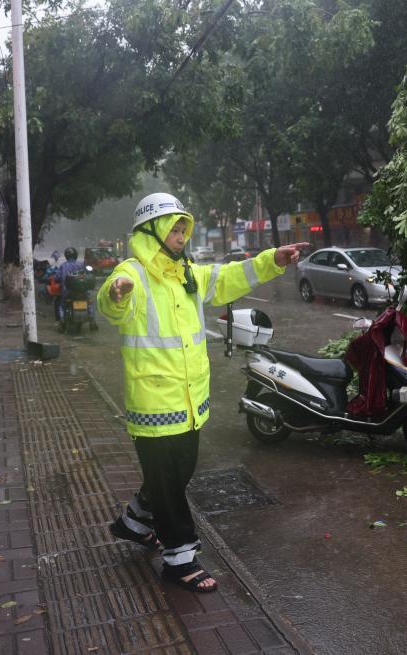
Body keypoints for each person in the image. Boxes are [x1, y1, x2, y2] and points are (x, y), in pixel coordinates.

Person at [98, 192, 307, 593]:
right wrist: (114, 293)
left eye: (182, 229)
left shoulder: (187, 272)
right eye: (173, 229)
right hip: (153, 403)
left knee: (176, 474)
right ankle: (180, 560)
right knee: (170, 485)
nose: (180, 236)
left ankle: (134, 522)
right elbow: (112, 303)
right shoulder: (133, 273)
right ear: (152, 231)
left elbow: (228, 278)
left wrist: (272, 261)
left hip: (189, 401)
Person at [54, 247, 86, 323]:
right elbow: (87, 274)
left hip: (66, 291)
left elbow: (57, 277)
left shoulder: (63, 266)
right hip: (81, 290)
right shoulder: (81, 264)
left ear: (66, 256)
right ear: (76, 255)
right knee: (89, 302)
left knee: (61, 305)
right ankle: (92, 321)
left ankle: (61, 320)